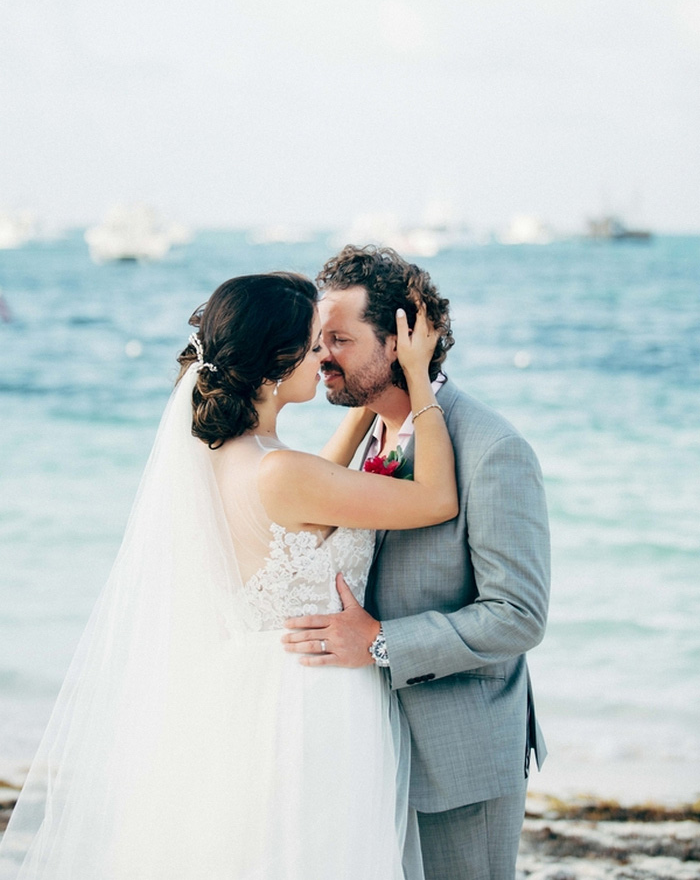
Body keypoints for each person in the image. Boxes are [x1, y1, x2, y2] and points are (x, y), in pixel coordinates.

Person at [0, 271, 457, 880]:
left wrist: (368, 404)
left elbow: (318, 490)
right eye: (315, 342)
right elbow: (435, 500)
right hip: (310, 703)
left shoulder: (235, 457)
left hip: (257, 691)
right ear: (276, 363)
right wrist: (421, 382)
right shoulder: (282, 474)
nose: (325, 354)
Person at [283, 247, 551, 880]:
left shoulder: (492, 449)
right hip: (368, 749)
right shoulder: (362, 435)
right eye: (320, 340)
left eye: (340, 339)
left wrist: (380, 643)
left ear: (403, 340)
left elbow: (518, 617)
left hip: (458, 756)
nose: (322, 356)